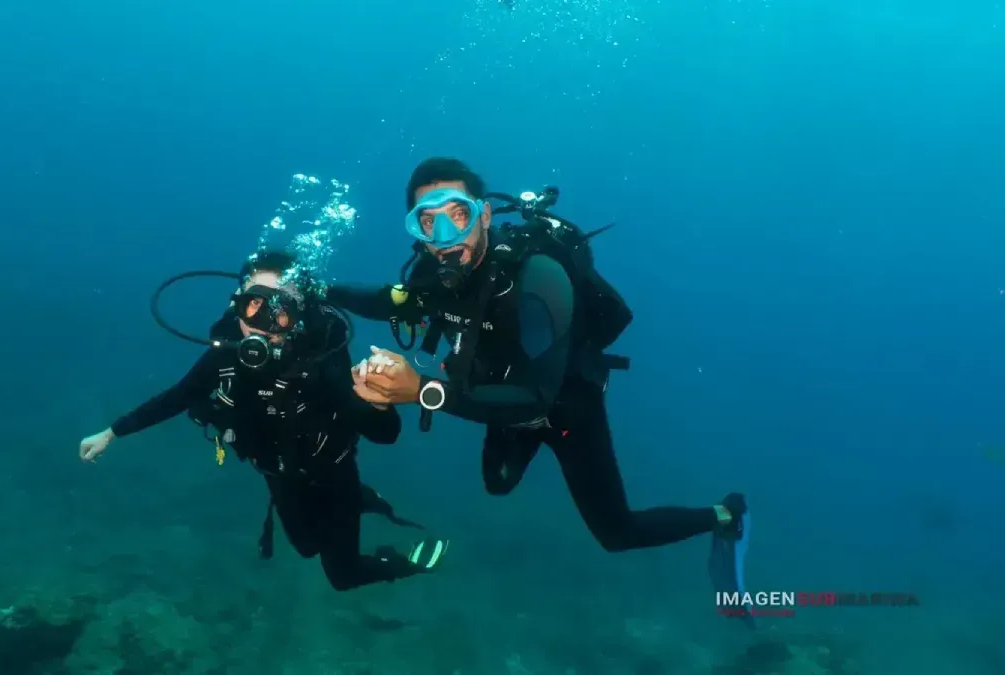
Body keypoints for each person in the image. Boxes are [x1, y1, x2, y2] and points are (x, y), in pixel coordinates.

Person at [329, 158, 752, 610]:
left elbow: (535, 401)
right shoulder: (431, 277)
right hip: (495, 399)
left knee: (616, 533)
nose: (445, 236)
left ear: (484, 215)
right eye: (427, 221)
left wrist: (421, 390)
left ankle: (726, 515)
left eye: (457, 214)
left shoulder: (538, 275)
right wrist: (322, 292)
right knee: (497, 483)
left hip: (565, 408)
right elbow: (391, 302)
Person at [78, 250, 449, 592]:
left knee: (342, 577)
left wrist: (379, 403)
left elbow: (386, 435)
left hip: (334, 475)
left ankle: (400, 561)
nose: (259, 321)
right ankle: (362, 502)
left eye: (278, 307)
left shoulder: (321, 361)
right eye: (250, 304)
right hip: (277, 475)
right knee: (306, 548)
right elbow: (177, 397)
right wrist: (112, 432)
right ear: (235, 304)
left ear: (300, 312)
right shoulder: (225, 356)